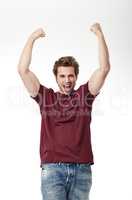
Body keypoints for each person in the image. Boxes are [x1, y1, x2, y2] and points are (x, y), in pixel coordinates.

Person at [17, 23, 110, 200]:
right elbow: (23, 70)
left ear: (76, 76)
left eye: (70, 75)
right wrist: (32, 38)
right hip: (53, 170)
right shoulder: (45, 96)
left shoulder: (85, 95)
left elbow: (104, 69)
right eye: (62, 76)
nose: (67, 80)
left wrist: (99, 34)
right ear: (56, 77)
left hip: (81, 170)